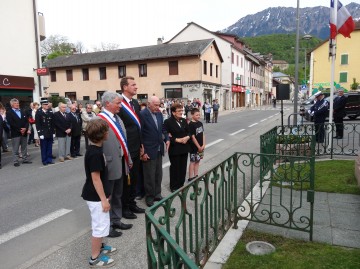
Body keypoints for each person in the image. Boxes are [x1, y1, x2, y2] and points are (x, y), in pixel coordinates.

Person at [81, 118, 116, 268]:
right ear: (101, 135)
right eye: (106, 130)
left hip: (98, 195)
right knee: (99, 226)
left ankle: (101, 247)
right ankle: (94, 257)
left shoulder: (95, 148)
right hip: (96, 197)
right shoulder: (95, 153)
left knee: (102, 223)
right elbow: (96, 179)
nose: (108, 132)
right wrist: (104, 200)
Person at [97, 91, 133, 237]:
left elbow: (123, 140)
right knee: (108, 196)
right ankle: (107, 225)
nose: (121, 106)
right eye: (118, 103)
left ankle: (116, 219)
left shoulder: (118, 118)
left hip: (121, 162)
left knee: (118, 194)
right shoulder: (99, 120)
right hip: (108, 164)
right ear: (108, 104)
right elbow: (95, 145)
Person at [118, 76, 145, 219]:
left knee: (134, 177)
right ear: (125, 87)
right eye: (133, 85)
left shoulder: (134, 102)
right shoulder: (119, 103)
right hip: (126, 147)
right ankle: (124, 207)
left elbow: (137, 125)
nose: (136, 87)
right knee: (126, 179)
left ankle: (132, 202)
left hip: (136, 146)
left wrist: (141, 145)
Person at [140, 96, 170, 207]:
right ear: (149, 104)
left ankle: (157, 194)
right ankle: (149, 197)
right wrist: (143, 152)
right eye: (156, 105)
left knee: (158, 173)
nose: (158, 107)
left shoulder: (159, 114)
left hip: (158, 148)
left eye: (159, 104)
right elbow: (140, 134)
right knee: (149, 175)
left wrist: (166, 139)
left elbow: (162, 128)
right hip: (148, 150)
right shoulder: (142, 115)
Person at [164, 103, 191, 192]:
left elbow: (189, 132)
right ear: (173, 112)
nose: (181, 112)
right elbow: (166, 135)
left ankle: (181, 184)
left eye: (182, 110)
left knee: (183, 167)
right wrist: (177, 140)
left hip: (184, 148)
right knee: (175, 168)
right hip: (175, 149)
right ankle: (174, 186)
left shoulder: (184, 120)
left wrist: (187, 137)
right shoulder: (168, 122)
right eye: (179, 111)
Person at [6, 98, 32, 166]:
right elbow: (11, 123)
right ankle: (15, 161)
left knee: (24, 147)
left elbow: (27, 121)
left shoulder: (22, 111)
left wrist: (25, 128)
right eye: (15, 103)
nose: (17, 104)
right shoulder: (9, 112)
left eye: (17, 103)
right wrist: (20, 130)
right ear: (12, 105)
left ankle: (25, 159)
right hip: (16, 133)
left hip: (24, 132)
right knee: (16, 148)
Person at [35, 99, 55, 166]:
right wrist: (40, 134)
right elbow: (38, 124)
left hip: (49, 132)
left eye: (47, 104)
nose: (47, 105)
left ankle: (49, 159)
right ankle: (44, 160)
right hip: (43, 133)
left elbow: (52, 123)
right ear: (42, 105)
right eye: (46, 104)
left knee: (49, 147)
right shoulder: (39, 112)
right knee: (44, 147)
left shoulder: (50, 111)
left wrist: (53, 132)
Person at [188, 108, 206, 181]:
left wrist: (204, 144)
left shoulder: (200, 123)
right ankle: (190, 177)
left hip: (201, 147)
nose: (198, 116)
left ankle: (196, 176)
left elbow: (203, 134)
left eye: (199, 115)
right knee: (192, 161)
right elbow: (193, 137)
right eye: (197, 115)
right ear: (192, 115)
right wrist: (198, 146)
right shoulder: (191, 124)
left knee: (198, 161)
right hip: (194, 147)